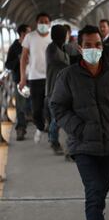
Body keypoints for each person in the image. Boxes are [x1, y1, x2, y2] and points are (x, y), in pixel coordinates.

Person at [50, 25, 109, 220]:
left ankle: (95, 218)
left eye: (97, 45)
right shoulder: (68, 76)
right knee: (94, 188)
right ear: (79, 47)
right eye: (88, 45)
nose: (93, 49)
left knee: (102, 188)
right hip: (82, 144)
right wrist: (79, 129)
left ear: (101, 46)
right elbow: (57, 106)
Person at [19, 12, 52, 143]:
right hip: (34, 77)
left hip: (50, 77)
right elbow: (23, 58)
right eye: (41, 22)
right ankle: (39, 127)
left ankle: (51, 132)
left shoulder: (52, 38)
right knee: (36, 109)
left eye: (45, 22)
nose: (43, 24)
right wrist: (22, 78)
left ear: (49, 24)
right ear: (36, 23)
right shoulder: (30, 37)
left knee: (51, 106)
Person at [45, 25, 70, 156]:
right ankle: (54, 140)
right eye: (63, 34)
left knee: (59, 117)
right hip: (53, 89)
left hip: (63, 88)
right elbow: (60, 62)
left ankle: (56, 140)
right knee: (57, 117)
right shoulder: (52, 49)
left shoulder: (62, 47)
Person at [5, 24, 31, 141]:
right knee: (20, 106)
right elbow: (8, 65)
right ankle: (20, 129)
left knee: (37, 103)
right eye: (28, 33)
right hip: (20, 81)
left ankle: (40, 121)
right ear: (22, 34)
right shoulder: (14, 47)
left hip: (33, 79)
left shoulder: (32, 45)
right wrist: (19, 59)